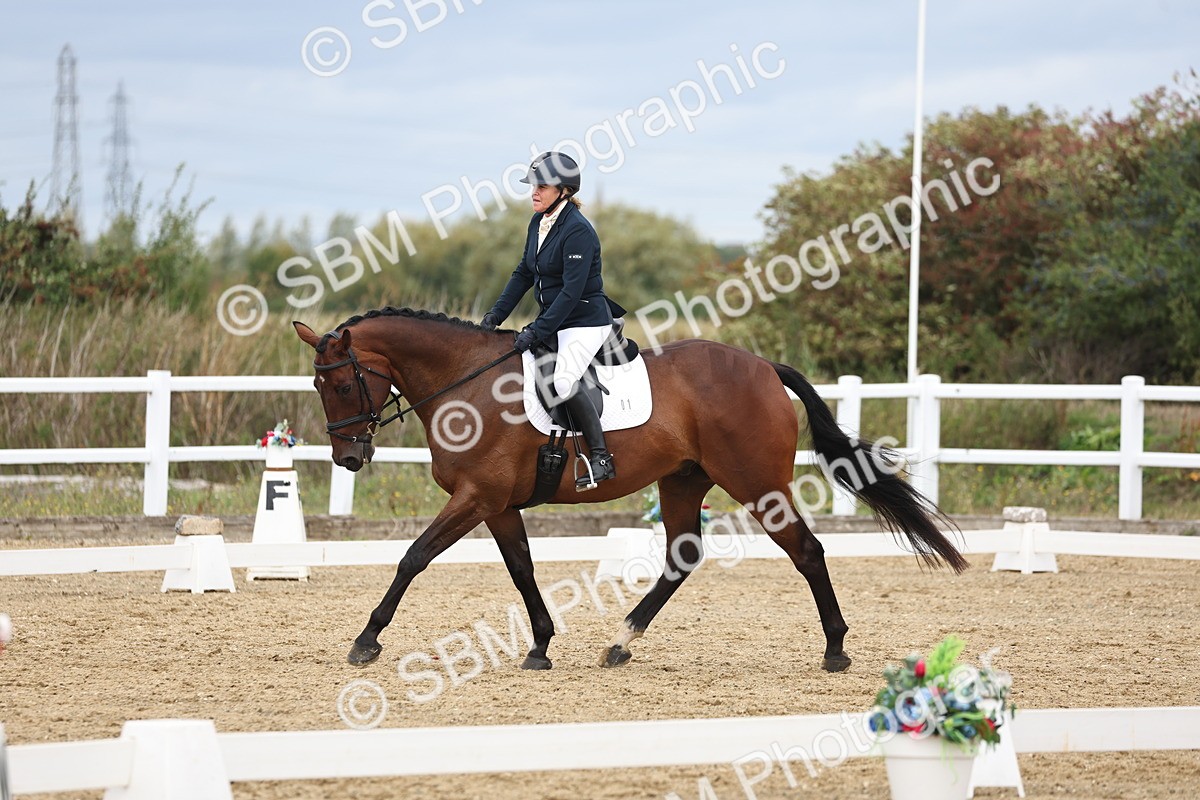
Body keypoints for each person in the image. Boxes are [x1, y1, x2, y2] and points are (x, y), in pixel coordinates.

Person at [481, 151, 625, 490]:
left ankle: (601, 457)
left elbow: (571, 293)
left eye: (542, 187)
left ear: (564, 190)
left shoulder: (578, 231)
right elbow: (523, 273)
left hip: (585, 322)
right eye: (533, 185)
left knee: (562, 381)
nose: (534, 192)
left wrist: (536, 330)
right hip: (556, 319)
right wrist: (495, 315)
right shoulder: (539, 222)